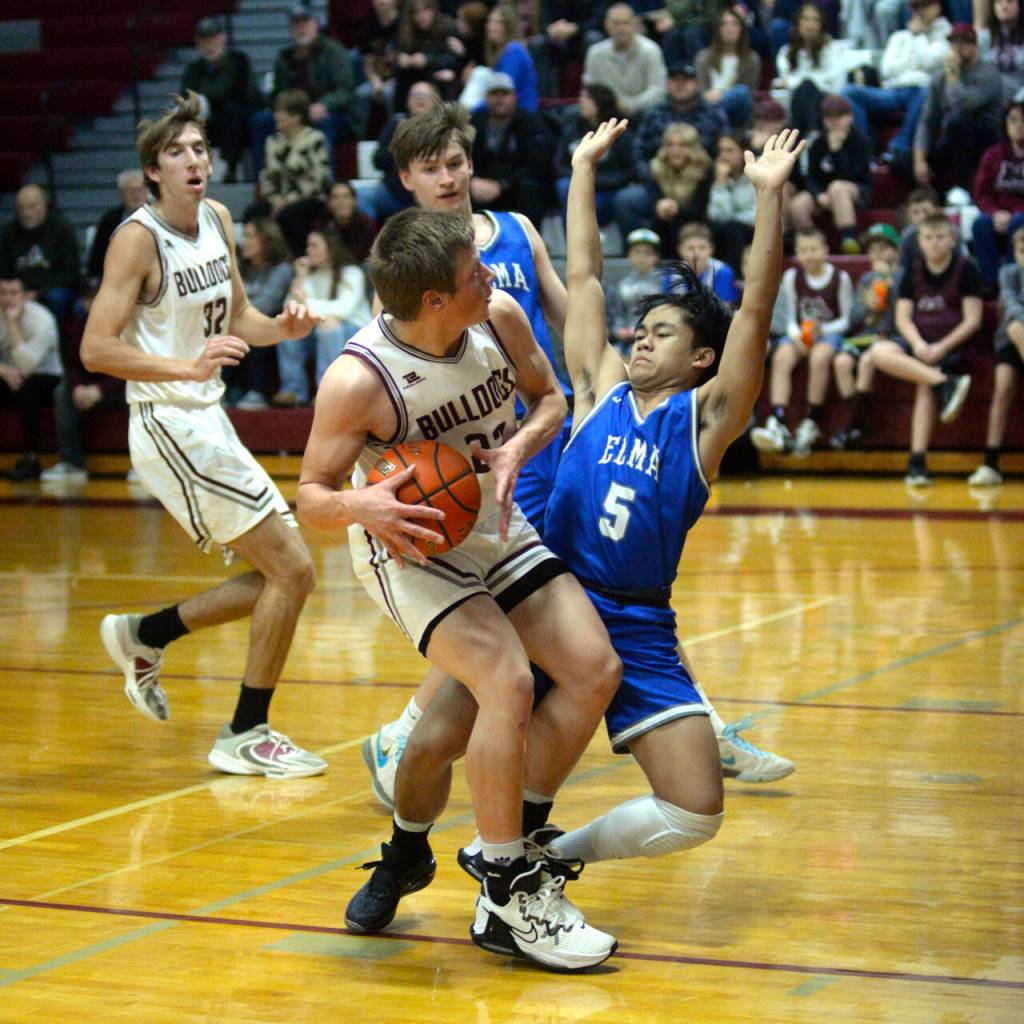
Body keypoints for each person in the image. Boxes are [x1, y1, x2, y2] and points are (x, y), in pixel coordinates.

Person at [363, 103, 795, 817]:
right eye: (431, 167)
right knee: (491, 662)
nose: (447, 176)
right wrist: (582, 172)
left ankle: (541, 818)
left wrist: (601, 366)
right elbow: (586, 282)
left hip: (540, 430)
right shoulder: (412, 257)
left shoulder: (522, 239)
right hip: (477, 450)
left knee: (561, 646)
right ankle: (409, 761)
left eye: (454, 161)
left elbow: (583, 294)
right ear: (407, 179)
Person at [298, 208, 623, 970]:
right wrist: (362, 505)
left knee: (590, 671)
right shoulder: (358, 379)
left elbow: (552, 400)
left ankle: (464, 843)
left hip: (493, 522)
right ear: (434, 301)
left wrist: (517, 446)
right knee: (507, 681)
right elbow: (310, 495)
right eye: (473, 273)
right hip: (408, 546)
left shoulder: (499, 317)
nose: (491, 275)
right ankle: (506, 886)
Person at [536, 120, 805, 877]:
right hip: (554, 601)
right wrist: (583, 165)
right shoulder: (598, 391)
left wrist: (768, 198)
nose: (641, 340)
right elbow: (583, 276)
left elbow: (756, 306)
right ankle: (456, 841)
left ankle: (556, 858)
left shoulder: (704, 424)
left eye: (661, 333)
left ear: (703, 358)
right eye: (641, 330)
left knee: (694, 809)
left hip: (643, 620)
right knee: (471, 734)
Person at [81, 93, 326, 778]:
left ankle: (144, 634)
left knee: (286, 574)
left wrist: (284, 328)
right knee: (295, 568)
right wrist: (182, 365)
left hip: (206, 417)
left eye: (200, 149)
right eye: (177, 152)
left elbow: (239, 314)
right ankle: (245, 731)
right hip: (166, 421)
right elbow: (96, 348)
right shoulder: (137, 238)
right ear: (153, 171)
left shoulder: (217, 218)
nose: (195, 160)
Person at [870, 211, 979, 485]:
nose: (934, 243)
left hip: (952, 344)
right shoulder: (912, 272)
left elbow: (973, 320)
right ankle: (945, 384)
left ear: (952, 239)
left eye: (940, 237)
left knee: (923, 381)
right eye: (928, 238)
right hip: (918, 342)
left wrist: (941, 346)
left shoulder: (967, 268)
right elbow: (903, 318)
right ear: (919, 242)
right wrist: (918, 343)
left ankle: (917, 462)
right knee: (878, 352)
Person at [751, 226, 853, 455]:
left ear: (825, 250)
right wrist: (797, 336)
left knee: (820, 356)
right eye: (803, 250)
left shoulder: (840, 277)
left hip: (829, 333)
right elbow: (789, 317)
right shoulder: (792, 277)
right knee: (782, 356)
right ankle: (779, 420)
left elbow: (845, 319)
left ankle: (812, 419)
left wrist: (822, 329)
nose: (809, 255)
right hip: (801, 333)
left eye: (814, 249)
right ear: (797, 252)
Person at [841, 0, 950, 175]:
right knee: (849, 92)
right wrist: (916, 63)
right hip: (893, 91)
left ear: (937, 7)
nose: (920, 11)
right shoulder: (899, 37)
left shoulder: (946, 34)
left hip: (920, 91)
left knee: (926, 90)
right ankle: (864, 152)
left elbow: (932, 63)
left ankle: (899, 147)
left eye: (925, 6)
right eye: (916, 7)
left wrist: (919, 36)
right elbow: (887, 70)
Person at [250, 5, 355, 178]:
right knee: (260, 121)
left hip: (333, 114)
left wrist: (324, 104)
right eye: (296, 24)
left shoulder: (334, 51)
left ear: (315, 24)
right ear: (290, 29)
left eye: (305, 23)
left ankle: (326, 182)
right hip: (294, 114)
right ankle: (262, 182)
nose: (301, 28)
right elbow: (278, 93)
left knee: (323, 123)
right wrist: (281, 109)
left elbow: (345, 90)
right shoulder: (284, 57)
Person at [273, 229, 370, 406]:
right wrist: (301, 277)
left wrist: (306, 301)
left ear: (331, 248)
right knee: (289, 329)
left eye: (315, 245)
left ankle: (328, 392)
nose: (309, 251)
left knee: (329, 325)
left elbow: (342, 310)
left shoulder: (351, 273)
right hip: (320, 330)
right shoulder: (311, 276)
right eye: (308, 246)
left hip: (353, 332)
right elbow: (290, 308)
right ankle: (293, 390)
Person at [40, 281, 125, 482]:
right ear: (84, 303)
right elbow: (70, 364)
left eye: (100, 300)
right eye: (90, 300)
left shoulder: (125, 325)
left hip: (118, 385)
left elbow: (131, 368)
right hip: (87, 387)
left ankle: (141, 465)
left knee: (140, 389)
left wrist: (100, 390)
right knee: (62, 392)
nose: (95, 305)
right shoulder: (77, 326)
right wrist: (78, 387)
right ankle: (72, 463)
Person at [829, 222, 900, 450]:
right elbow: (854, 319)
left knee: (868, 362)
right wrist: (868, 307)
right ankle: (860, 423)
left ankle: (851, 426)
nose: (877, 253)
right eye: (872, 248)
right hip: (866, 338)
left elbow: (900, 319)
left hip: (892, 338)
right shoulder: (867, 280)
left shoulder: (902, 277)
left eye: (883, 247)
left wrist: (890, 287)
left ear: (896, 250)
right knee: (841, 362)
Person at [913, 23, 1003, 191]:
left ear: (974, 46)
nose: (957, 48)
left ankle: (963, 190)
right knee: (910, 164)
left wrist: (953, 75)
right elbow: (928, 120)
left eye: (963, 43)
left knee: (958, 122)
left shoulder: (989, 74)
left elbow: (962, 106)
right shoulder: (940, 76)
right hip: (955, 137)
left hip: (986, 139)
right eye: (953, 43)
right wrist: (919, 160)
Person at [968, 223, 1024, 485]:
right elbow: (1012, 305)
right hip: (1010, 341)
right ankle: (991, 464)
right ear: (1015, 252)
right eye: (1022, 251)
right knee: (1002, 389)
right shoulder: (1008, 272)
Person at [788, 93, 873, 255]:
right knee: (798, 204)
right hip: (826, 192)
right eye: (829, 118)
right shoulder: (818, 142)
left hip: (856, 190)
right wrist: (818, 194)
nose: (834, 122)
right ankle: (813, 243)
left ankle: (849, 240)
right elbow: (811, 176)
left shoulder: (860, 141)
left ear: (850, 117)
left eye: (839, 117)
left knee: (838, 188)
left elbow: (851, 175)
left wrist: (836, 152)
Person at [468, 71, 555, 229]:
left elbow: (539, 165)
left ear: (514, 97)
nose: (499, 99)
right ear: (486, 98)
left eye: (505, 93)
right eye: (494, 93)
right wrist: (471, 180)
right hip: (480, 185)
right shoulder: (474, 124)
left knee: (531, 187)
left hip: (515, 187)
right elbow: (461, 157)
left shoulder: (531, 123)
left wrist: (502, 184)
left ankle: (531, 243)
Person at [227, 218, 295, 410]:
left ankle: (258, 392)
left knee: (254, 329)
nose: (244, 241)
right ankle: (228, 390)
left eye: (250, 236)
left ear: (267, 240)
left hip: (271, 325)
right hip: (241, 321)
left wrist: (235, 313)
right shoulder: (243, 267)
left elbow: (265, 305)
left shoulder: (282, 269)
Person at [256, 89, 333, 256]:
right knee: (254, 213)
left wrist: (287, 201)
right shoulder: (272, 141)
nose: (275, 115)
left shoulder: (315, 139)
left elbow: (321, 179)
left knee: (290, 215)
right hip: (279, 200)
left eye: (280, 111)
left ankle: (301, 259)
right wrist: (274, 198)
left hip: (310, 198)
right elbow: (266, 177)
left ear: (296, 116)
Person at [0, 276, 62, 482]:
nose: (8, 299)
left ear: (25, 296)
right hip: (9, 375)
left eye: (13, 293)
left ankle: (32, 458)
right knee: (20, 384)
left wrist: (12, 325)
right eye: (3, 293)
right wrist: (4, 371)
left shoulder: (42, 319)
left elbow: (27, 367)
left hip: (47, 379)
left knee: (29, 389)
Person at [181, 16, 255, 183]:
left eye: (213, 39)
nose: (209, 45)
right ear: (198, 43)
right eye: (204, 40)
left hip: (236, 116)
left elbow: (239, 94)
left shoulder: (239, 61)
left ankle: (230, 168)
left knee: (233, 115)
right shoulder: (193, 69)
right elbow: (185, 98)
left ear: (223, 38)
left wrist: (207, 101)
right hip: (205, 119)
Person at [360, 80, 440, 225]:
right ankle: (367, 243)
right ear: (408, 101)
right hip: (393, 194)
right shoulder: (396, 123)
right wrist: (397, 141)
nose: (419, 98)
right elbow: (378, 161)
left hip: (428, 195)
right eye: (415, 95)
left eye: (424, 95)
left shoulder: (442, 128)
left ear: (436, 100)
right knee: (364, 195)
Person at [554, 84, 633, 229]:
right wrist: (582, 178)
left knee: (622, 199)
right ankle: (572, 247)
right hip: (579, 188)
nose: (581, 102)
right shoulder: (573, 129)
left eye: (586, 98)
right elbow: (559, 164)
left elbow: (628, 172)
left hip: (609, 192)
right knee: (564, 186)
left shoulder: (619, 133)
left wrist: (591, 179)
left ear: (600, 102)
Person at [0, 185, 81, 325]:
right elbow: (4, 269)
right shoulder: (9, 232)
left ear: (44, 205)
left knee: (55, 297)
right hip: (18, 289)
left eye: (32, 206)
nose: (26, 213)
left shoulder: (62, 229)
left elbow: (71, 273)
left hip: (52, 289)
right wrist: (15, 291)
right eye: (21, 208)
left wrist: (39, 293)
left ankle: (56, 342)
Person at [773, 2, 847, 137]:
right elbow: (784, 82)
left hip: (825, 101)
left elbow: (836, 82)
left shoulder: (833, 49)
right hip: (795, 103)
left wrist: (797, 81)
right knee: (803, 90)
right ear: (798, 23)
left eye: (815, 20)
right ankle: (806, 136)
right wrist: (803, 82)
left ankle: (809, 135)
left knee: (807, 86)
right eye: (805, 19)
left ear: (821, 25)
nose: (810, 24)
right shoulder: (786, 53)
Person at [971, 101, 1024, 290]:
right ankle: (990, 284)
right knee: (980, 224)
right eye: (1013, 119)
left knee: (1019, 222)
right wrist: (994, 212)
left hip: (1020, 214)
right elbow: (981, 192)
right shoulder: (993, 154)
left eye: (1022, 120)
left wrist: (1015, 213)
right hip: (998, 213)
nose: (1018, 125)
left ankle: (1014, 279)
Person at [582, 3, 668, 116]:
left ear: (635, 25)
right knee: (573, 113)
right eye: (616, 23)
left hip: (641, 111)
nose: (621, 28)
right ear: (606, 25)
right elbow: (590, 89)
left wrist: (629, 104)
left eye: (626, 23)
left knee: (654, 112)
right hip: (606, 111)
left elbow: (658, 91)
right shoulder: (595, 53)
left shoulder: (650, 50)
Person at [694, 6, 762, 129]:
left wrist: (722, 93)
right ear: (717, 29)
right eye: (724, 24)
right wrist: (708, 96)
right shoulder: (703, 57)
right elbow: (700, 92)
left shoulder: (752, 59)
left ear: (742, 29)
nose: (729, 28)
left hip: (738, 111)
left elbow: (749, 93)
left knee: (740, 92)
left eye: (734, 24)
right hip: (708, 107)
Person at [86, 171, 151, 285]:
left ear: (147, 192)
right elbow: (97, 257)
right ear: (121, 194)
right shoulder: (109, 220)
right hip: (115, 279)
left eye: (139, 190)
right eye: (129, 191)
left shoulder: (160, 216)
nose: (135, 195)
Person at [606, 227, 664, 349]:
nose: (642, 258)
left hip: (657, 336)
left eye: (648, 253)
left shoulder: (664, 282)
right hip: (628, 338)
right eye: (637, 252)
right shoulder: (623, 284)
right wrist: (619, 330)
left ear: (656, 257)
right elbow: (618, 313)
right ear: (629, 255)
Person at [708, 130, 758, 273]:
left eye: (730, 150)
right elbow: (716, 215)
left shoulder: (756, 173)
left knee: (734, 229)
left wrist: (733, 220)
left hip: (754, 230)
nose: (724, 155)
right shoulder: (718, 177)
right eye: (721, 150)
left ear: (744, 152)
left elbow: (757, 214)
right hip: (728, 232)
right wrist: (720, 184)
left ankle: (735, 275)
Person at [480, 3, 539, 113]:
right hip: (503, 113)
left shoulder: (514, 51)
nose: (491, 26)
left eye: (497, 22)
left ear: (508, 26)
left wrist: (470, 111)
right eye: (490, 21)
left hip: (521, 116)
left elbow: (501, 90)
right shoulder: (501, 52)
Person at [670, 222, 739, 306]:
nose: (696, 253)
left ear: (711, 249)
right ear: (680, 250)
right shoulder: (672, 273)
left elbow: (725, 306)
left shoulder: (722, 271)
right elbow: (667, 305)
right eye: (690, 248)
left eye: (702, 247)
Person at [975, 0, 1024, 102]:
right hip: (988, 100)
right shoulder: (985, 37)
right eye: (998, 2)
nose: (1004, 6)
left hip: (1019, 101)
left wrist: (1018, 102)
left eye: (1009, 1)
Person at [321, 180, 379, 263]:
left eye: (346, 196)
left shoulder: (368, 224)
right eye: (335, 197)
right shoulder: (322, 225)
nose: (341, 201)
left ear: (354, 201)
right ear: (328, 202)